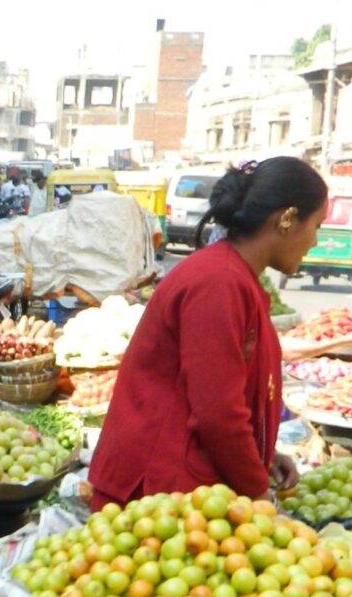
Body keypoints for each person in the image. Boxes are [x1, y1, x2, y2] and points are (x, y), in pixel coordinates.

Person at [89, 158, 327, 508]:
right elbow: (218, 412)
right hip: (158, 493)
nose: (315, 241)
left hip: (183, 489)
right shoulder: (219, 283)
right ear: (287, 219)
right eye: (317, 225)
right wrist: (256, 492)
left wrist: (262, 456)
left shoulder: (235, 276)